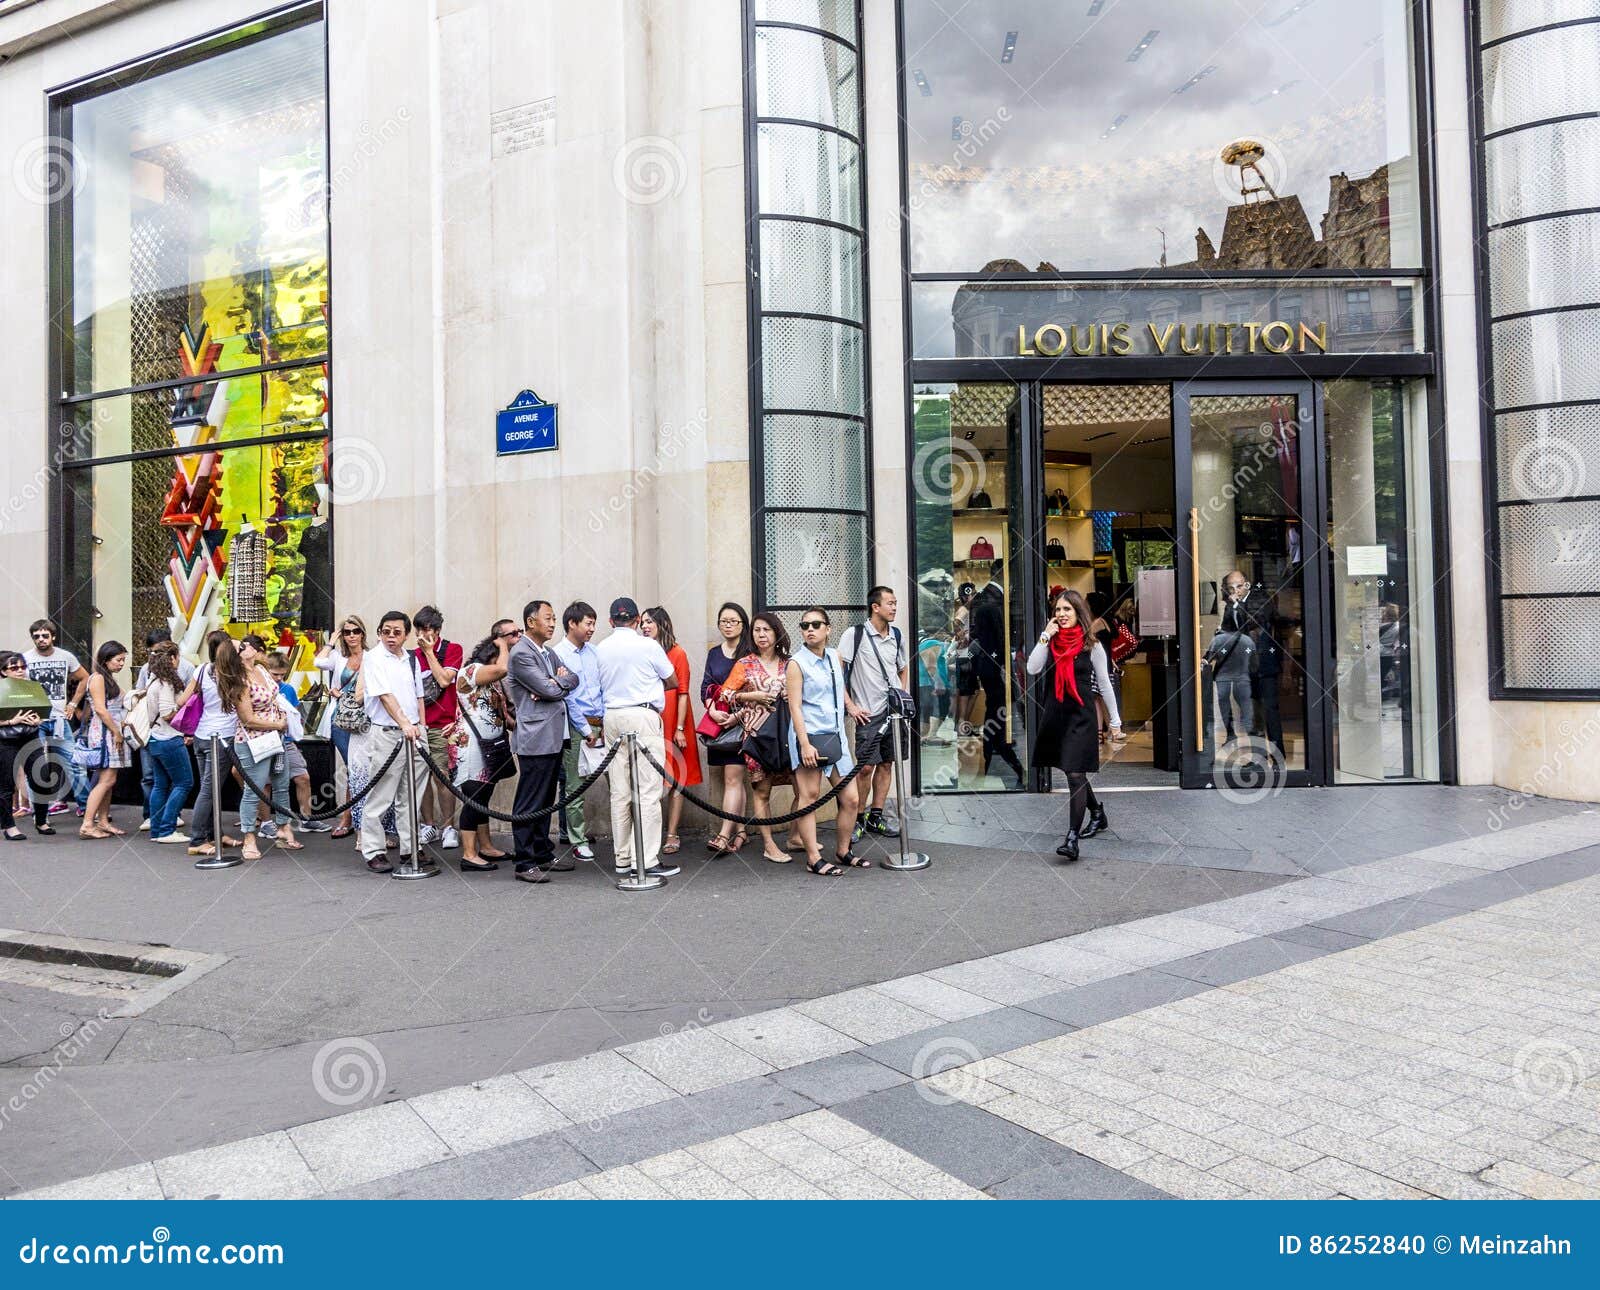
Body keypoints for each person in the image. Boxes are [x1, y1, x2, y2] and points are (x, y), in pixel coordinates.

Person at [1027, 589, 1121, 862]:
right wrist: (1046, 635)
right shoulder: (1051, 642)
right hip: (1057, 715)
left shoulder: (1092, 645)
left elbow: (1104, 684)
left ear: (1078, 613)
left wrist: (1115, 721)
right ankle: (1097, 813)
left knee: (1075, 775)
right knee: (1072, 771)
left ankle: (1072, 838)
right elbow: (1033, 668)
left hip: (1082, 717)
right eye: (1057, 610)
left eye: (1067, 609)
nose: (1061, 614)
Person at [595, 597, 677, 877]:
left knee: (620, 792)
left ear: (610, 621)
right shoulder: (648, 645)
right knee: (648, 791)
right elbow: (673, 680)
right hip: (642, 715)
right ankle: (647, 859)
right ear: (636, 620)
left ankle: (623, 857)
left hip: (613, 716)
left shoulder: (601, 649)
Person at [785, 608, 866, 876]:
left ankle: (843, 850)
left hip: (836, 737)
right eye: (805, 625)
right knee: (809, 798)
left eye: (816, 624)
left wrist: (851, 707)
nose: (810, 629)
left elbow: (838, 687)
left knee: (851, 798)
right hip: (810, 736)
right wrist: (804, 744)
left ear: (828, 629)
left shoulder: (835, 657)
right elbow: (795, 707)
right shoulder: (796, 663)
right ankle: (813, 857)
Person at [505, 600, 578, 882]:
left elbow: (572, 678)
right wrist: (552, 684)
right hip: (535, 738)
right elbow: (546, 689)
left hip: (554, 736)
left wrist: (555, 683)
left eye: (553, 618)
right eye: (547, 618)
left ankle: (542, 853)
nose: (552, 623)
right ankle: (524, 862)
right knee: (530, 800)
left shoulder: (547, 652)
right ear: (531, 621)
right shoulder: (521, 653)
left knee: (546, 799)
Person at [359, 611, 428, 874]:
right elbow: (385, 696)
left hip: (414, 733)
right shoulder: (374, 658)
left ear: (406, 635)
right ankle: (374, 850)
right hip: (389, 733)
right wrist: (404, 724)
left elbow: (418, 696)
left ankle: (411, 847)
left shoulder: (411, 659)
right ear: (379, 632)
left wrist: (420, 725)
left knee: (411, 795)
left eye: (397, 632)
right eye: (385, 631)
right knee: (381, 795)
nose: (390, 636)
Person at [839, 585, 909, 840]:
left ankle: (875, 817)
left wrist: (901, 694)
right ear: (875, 607)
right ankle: (858, 817)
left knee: (887, 763)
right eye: (889, 603)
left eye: (895, 603)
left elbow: (903, 667)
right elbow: (838, 673)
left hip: (893, 712)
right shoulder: (854, 634)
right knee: (866, 767)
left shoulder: (897, 635)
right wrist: (851, 706)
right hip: (868, 714)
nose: (894, 607)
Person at [723, 611, 793, 865]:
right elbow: (726, 694)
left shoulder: (790, 663)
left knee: (803, 787)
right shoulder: (745, 664)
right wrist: (752, 697)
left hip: (789, 734)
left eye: (766, 630)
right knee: (762, 791)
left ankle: (796, 835)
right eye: (757, 630)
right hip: (757, 736)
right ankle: (769, 844)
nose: (761, 635)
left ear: (776, 632)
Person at [224, 634, 300, 862]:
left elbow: (275, 697)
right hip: (253, 740)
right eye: (242, 646)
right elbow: (247, 718)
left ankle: (284, 826)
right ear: (236, 655)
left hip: (276, 737)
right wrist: (277, 724)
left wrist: (283, 721)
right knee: (254, 788)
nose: (248, 646)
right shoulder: (238, 680)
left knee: (281, 781)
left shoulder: (262, 670)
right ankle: (249, 836)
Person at [452, 620, 519, 872]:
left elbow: (502, 715)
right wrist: (503, 645)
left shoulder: (491, 682)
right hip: (471, 747)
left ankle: (486, 846)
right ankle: (469, 854)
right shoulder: (470, 672)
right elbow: (502, 668)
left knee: (484, 796)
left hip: (490, 746)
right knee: (474, 797)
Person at [641, 606, 702, 856]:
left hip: (675, 720)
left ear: (661, 624)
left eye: (649, 622)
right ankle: (650, 833)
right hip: (651, 720)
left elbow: (683, 692)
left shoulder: (677, 653)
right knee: (652, 778)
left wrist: (678, 728)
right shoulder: (641, 650)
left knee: (676, 779)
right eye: (642, 622)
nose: (644, 626)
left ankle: (672, 833)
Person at [180, 631, 243, 858]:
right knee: (209, 790)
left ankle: (213, 833)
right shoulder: (235, 674)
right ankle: (197, 839)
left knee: (209, 789)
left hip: (201, 734)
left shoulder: (202, 670)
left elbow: (183, 700)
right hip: (222, 737)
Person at [550, 601, 601, 862]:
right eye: (588, 623)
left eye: (594, 623)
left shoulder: (594, 652)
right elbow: (567, 697)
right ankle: (577, 839)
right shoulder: (557, 654)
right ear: (573, 623)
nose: (592, 628)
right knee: (575, 785)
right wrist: (585, 728)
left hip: (601, 720)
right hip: (576, 725)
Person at [702, 602, 753, 857]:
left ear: (743, 624)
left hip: (743, 724)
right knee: (731, 780)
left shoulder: (749, 652)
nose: (728, 625)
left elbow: (755, 690)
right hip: (717, 724)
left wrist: (737, 716)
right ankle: (741, 831)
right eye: (724, 621)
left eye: (734, 621)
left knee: (733, 778)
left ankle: (723, 835)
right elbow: (706, 687)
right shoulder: (713, 653)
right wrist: (711, 711)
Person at [24, 618, 89, 816]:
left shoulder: (65, 656)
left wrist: (73, 703)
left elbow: (85, 677)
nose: (41, 640)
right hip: (35, 720)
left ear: (53, 636)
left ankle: (87, 808)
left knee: (75, 764)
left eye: (45, 636)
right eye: (37, 637)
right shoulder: (25, 659)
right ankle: (40, 813)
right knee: (35, 767)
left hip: (60, 719)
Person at [135, 626, 195, 834]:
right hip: (169, 738)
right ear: (172, 658)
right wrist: (182, 704)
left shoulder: (152, 679)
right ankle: (168, 828)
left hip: (155, 738)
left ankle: (157, 828)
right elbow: (167, 712)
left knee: (160, 784)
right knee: (184, 783)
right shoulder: (166, 682)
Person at [412, 606, 462, 849]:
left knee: (443, 778)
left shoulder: (453, 649)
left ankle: (449, 827)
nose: (424, 634)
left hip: (443, 726)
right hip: (420, 726)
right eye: (420, 629)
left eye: (428, 629)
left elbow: (444, 680)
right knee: (422, 778)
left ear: (438, 630)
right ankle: (428, 824)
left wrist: (430, 653)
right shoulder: (411, 656)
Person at [969, 569, 1025, 784]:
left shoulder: (988, 600)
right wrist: (1003, 663)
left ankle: (992, 756)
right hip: (995, 667)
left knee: (996, 710)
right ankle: (1002, 753)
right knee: (999, 711)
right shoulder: (992, 603)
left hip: (991, 666)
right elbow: (999, 637)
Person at [315, 615, 368, 839]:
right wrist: (331, 640)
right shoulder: (337, 656)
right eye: (346, 632)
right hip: (341, 720)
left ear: (363, 633)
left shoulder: (372, 657)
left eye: (355, 631)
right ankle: (349, 819)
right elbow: (318, 662)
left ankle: (358, 821)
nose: (351, 636)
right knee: (353, 770)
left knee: (361, 771)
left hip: (365, 721)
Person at [264, 653, 327, 833]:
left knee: (302, 777)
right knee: (266, 783)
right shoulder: (260, 689)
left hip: (286, 740)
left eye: (282, 675)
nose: (278, 678)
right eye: (275, 674)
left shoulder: (288, 689)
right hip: (266, 740)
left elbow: (296, 715)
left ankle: (306, 818)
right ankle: (267, 822)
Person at [78, 641, 131, 839]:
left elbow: (126, 698)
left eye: (123, 660)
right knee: (107, 779)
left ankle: (102, 821)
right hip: (105, 733)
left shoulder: (107, 679)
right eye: (118, 660)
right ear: (106, 659)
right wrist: (117, 732)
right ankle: (87, 823)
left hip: (107, 731)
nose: (121, 664)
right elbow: (100, 709)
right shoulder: (98, 678)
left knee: (106, 780)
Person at [0, 652, 49, 838]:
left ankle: (41, 820)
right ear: (3, 672)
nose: (20, 671)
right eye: (14, 668)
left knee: (41, 777)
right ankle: (8, 826)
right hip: (5, 739)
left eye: (22, 667)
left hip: (31, 736)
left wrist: (38, 720)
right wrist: (11, 721)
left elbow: (44, 709)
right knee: (6, 784)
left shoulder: (32, 687)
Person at [1206, 570, 1257, 745]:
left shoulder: (1254, 602)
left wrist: (1237, 605)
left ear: (1247, 584)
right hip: (1229, 661)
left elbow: (1249, 626)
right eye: (1231, 587)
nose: (1235, 590)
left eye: (1239, 586)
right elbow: (1226, 633)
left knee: (1244, 699)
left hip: (1247, 661)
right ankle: (1229, 732)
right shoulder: (1230, 606)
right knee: (1223, 697)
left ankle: (1252, 736)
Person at [916, 626, 951, 745]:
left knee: (928, 709)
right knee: (937, 708)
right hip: (930, 682)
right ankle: (930, 736)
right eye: (943, 632)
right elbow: (930, 664)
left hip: (925, 682)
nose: (946, 635)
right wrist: (938, 682)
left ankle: (926, 736)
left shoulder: (924, 643)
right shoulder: (932, 643)